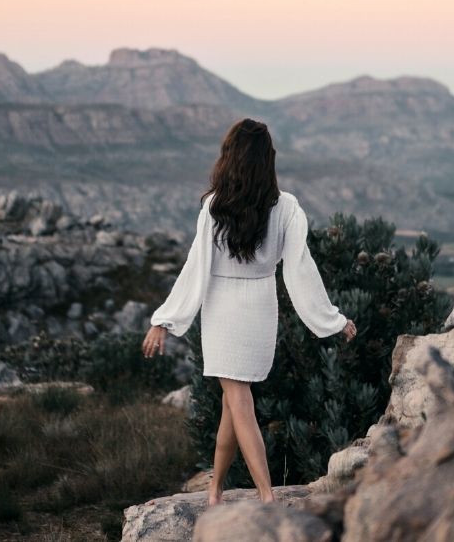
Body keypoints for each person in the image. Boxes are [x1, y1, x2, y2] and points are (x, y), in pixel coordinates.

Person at [140, 118, 357, 507]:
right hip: (259, 307)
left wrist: (164, 321)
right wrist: (332, 320)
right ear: (266, 161)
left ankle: (266, 496)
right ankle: (216, 488)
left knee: (237, 399)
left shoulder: (215, 205)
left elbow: (196, 267)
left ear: (230, 158)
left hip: (223, 308)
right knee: (233, 399)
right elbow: (300, 271)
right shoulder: (286, 207)